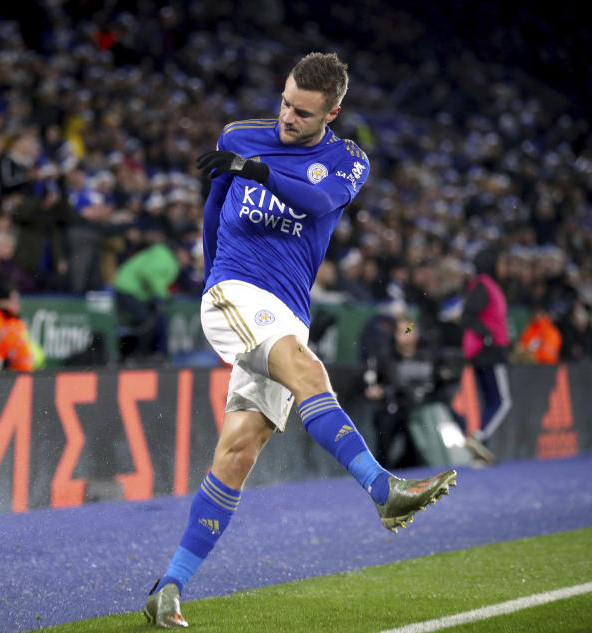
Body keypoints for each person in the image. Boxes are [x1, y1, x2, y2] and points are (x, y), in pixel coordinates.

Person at [145, 52, 457, 629]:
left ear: (331, 112)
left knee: (237, 454)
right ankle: (380, 487)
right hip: (235, 292)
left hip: (288, 311)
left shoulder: (347, 161)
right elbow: (213, 211)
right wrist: (215, 281)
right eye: (286, 102)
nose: (287, 117)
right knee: (310, 373)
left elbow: (315, 202)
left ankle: (169, 587)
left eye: (303, 112)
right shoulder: (241, 135)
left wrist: (256, 171)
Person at [461, 245, 512, 463]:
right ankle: (479, 438)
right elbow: (468, 315)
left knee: (490, 402)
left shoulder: (484, 285)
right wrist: (488, 335)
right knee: (502, 401)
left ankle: (480, 455)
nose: (504, 267)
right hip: (489, 351)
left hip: (485, 350)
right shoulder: (484, 285)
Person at [0, 284, 44, 372]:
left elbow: (33, 354)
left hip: (24, 375)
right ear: (0, 302)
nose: (17, 306)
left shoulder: (14, 322)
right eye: (13, 301)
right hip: (1, 376)